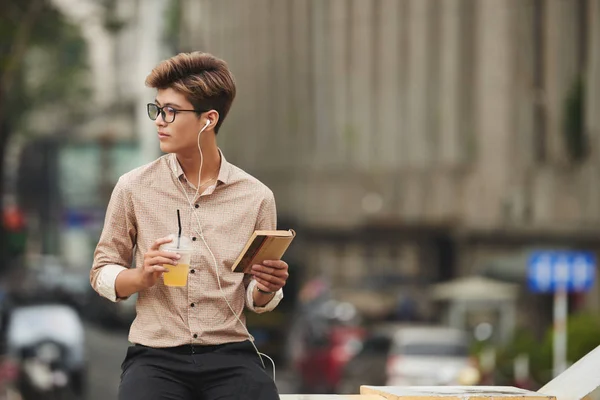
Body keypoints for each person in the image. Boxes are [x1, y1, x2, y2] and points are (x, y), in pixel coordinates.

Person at [90, 51, 289, 400]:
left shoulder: (256, 197)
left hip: (230, 354)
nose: (159, 121)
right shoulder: (133, 187)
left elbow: (255, 296)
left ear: (208, 120)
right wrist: (142, 276)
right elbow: (101, 271)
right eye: (157, 109)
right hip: (155, 356)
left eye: (171, 112)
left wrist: (267, 288)